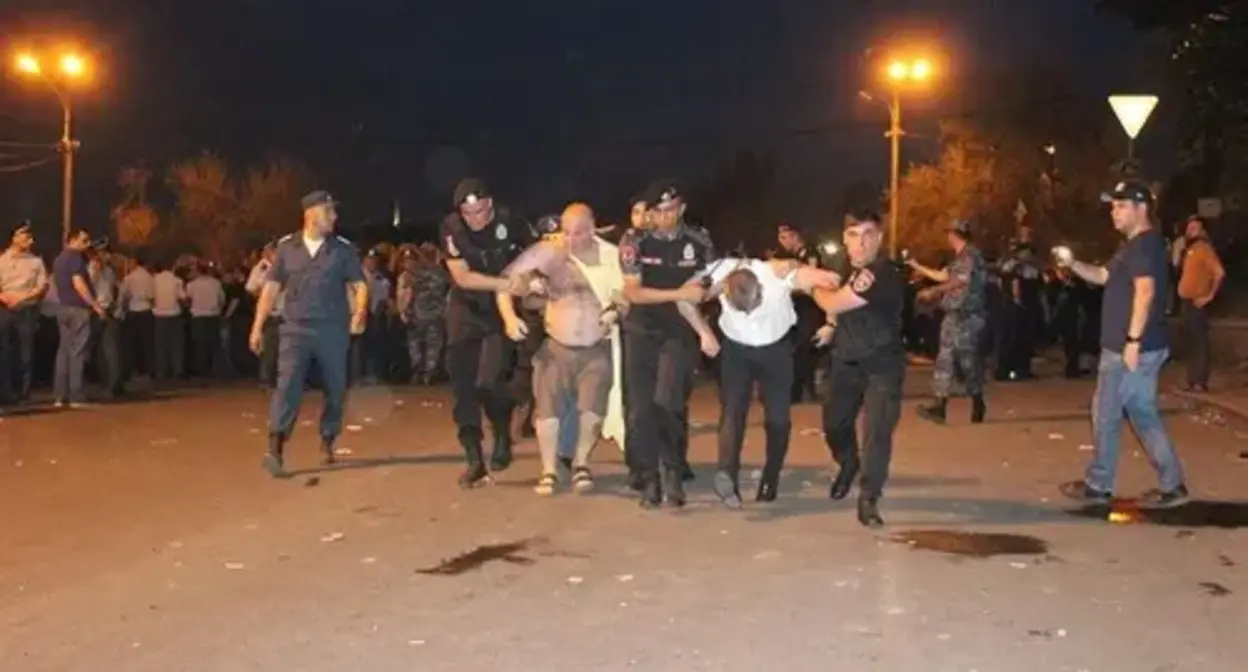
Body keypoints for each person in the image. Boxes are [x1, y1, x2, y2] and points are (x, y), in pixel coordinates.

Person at [1057, 180, 1189, 507]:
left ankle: (1099, 484)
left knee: (1106, 413)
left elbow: (1146, 292)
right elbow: (1104, 277)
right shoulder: (1132, 246)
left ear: (1141, 208)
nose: (1114, 212)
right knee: (1141, 413)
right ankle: (1172, 485)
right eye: (1113, 206)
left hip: (1129, 348)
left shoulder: (1144, 246)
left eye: (1121, 206)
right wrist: (1073, 264)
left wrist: (1132, 340)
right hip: (1134, 346)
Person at [501, 203, 625, 495]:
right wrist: (511, 316)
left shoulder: (610, 257)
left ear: (593, 229)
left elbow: (625, 292)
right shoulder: (548, 253)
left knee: (592, 409)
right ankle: (549, 470)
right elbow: (505, 284)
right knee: (547, 410)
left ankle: (581, 464)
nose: (571, 240)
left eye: (579, 233)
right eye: (566, 233)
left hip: (597, 346)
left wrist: (616, 310)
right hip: (556, 346)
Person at [700, 255, 840, 508]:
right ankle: (726, 474)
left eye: (755, 304)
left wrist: (830, 319)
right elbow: (684, 297)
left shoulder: (776, 274)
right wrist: (703, 332)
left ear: (761, 288)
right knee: (732, 412)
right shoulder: (718, 273)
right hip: (736, 350)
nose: (751, 313)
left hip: (776, 350)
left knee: (777, 417)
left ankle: (771, 475)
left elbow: (826, 284)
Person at [249, 190, 369, 478]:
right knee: (287, 385)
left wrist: (360, 312)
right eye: (329, 212)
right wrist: (257, 326)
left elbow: (360, 285)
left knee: (336, 388)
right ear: (312, 215)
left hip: (332, 330)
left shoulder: (342, 250)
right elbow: (270, 289)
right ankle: (275, 448)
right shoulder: (287, 249)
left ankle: (328, 436)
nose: (334, 217)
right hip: (295, 329)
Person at [618, 180, 717, 509]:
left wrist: (706, 303)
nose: (664, 217)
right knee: (641, 409)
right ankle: (649, 478)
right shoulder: (634, 241)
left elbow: (708, 285)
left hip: (679, 332)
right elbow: (633, 292)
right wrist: (679, 294)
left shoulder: (699, 241)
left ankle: (673, 471)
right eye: (658, 212)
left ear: (682, 208)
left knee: (669, 401)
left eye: (671, 210)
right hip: (641, 330)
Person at [809, 208, 906, 528]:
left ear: (879, 238)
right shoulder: (841, 265)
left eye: (868, 235)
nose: (861, 243)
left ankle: (869, 496)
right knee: (834, 426)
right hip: (846, 360)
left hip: (882, 363)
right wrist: (830, 325)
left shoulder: (881, 271)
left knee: (877, 432)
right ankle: (848, 463)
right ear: (844, 239)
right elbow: (836, 308)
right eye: (853, 235)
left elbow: (835, 301)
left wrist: (812, 286)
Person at [439, 178, 536, 488]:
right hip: (465, 310)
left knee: (490, 381)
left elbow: (537, 256)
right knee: (463, 390)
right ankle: (474, 460)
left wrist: (527, 281)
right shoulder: (451, 228)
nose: (475, 219)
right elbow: (463, 277)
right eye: (468, 213)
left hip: (499, 313)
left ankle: (502, 431)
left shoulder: (512, 222)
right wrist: (506, 283)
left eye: (480, 211)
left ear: (490, 205)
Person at [908, 220, 989, 424]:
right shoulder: (958, 258)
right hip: (953, 314)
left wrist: (934, 291)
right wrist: (917, 266)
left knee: (968, 362)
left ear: (956, 234)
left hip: (969, 316)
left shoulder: (971, 255)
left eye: (950, 233)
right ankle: (940, 405)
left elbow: (960, 280)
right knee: (944, 359)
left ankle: (977, 400)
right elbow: (944, 276)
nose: (948, 237)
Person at [52, 229, 107, 407]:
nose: (88, 243)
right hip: (78, 309)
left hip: (63, 308)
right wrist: (95, 305)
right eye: (84, 240)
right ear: (73, 240)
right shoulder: (75, 258)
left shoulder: (59, 259)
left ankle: (60, 396)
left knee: (63, 352)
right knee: (77, 353)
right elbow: (79, 283)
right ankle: (76, 396)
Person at [0, 222, 49, 407]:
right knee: (4, 352)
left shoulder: (35, 262)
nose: (30, 241)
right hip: (4, 309)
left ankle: (24, 393)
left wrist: (24, 297)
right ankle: (5, 392)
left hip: (26, 310)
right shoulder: (2, 260)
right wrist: (4, 298)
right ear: (14, 237)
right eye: (26, 237)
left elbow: (42, 285)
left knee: (26, 354)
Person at [773, 223, 823, 403]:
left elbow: (810, 279)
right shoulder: (784, 256)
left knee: (804, 348)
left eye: (786, 237)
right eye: (781, 238)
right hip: (792, 308)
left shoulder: (809, 253)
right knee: (794, 349)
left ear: (796, 237)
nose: (783, 241)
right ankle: (798, 390)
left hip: (808, 307)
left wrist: (786, 289)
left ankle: (804, 390)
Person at [1176, 214, 1224, 392]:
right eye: (1189, 228)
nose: (1190, 231)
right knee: (1191, 341)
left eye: (1195, 228)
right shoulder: (1190, 249)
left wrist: (1209, 296)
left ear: (1202, 230)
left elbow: (1219, 273)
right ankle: (1193, 380)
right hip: (1186, 301)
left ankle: (1199, 382)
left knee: (1199, 341)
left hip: (1197, 302)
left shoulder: (1204, 248)